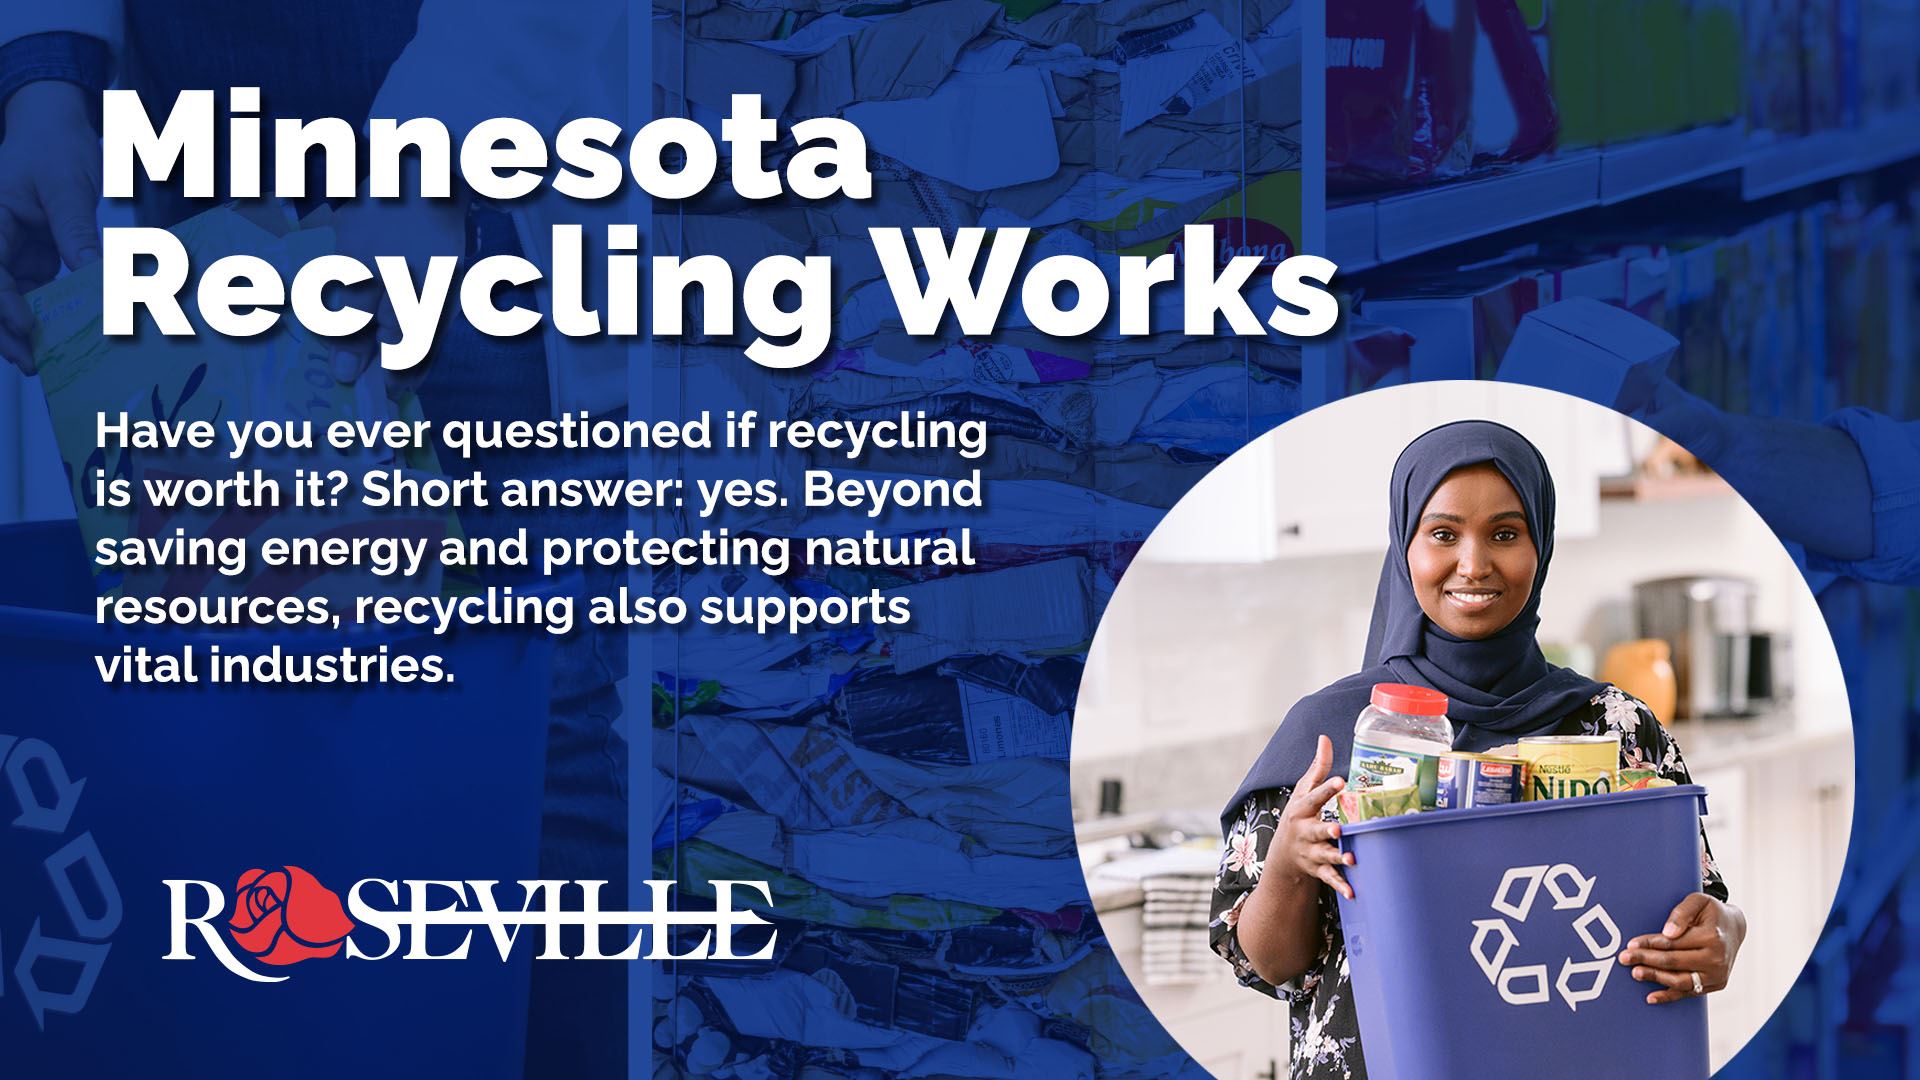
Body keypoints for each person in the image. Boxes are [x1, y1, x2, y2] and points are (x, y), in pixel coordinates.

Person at [1209, 420, 1746, 1079]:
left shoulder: (1616, 725)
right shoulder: (1330, 732)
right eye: (1443, 533)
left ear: (1539, 544)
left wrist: (1724, 932)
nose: (1474, 563)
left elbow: (1703, 903)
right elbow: (1270, 963)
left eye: (1504, 533)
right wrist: (1289, 865)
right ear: (1404, 547)